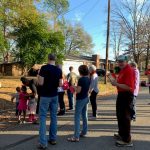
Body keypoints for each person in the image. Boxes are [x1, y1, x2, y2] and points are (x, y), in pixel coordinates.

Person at [37, 54, 62, 150]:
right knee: (54, 117)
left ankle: (43, 143)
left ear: (48, 58)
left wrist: (38, 76)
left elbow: (41, 83)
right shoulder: (58, 70)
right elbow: (60, 84)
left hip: (45, 96)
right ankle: (53, 138)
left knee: (43, 118)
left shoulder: (44, 68)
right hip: (54, 95)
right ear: (55, 59)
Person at [109, 55, 135, 147]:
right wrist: (112, 79)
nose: (120, 63)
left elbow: (129, 87)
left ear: (126, 61)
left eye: (122, 61)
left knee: (125, 117)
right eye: (119, 61)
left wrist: (116, 83)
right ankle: (122, 134)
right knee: (120, 115)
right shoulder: (122, 69)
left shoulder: (128, 70)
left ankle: (127, 140)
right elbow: (119, 81)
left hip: (126, 95)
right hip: (121, 94)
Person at [67, 65, 90, 142]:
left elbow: (78, 90)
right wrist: (77, 87)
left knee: (77, 117)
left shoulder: (81, 79)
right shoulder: (88, 78)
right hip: (86, 97)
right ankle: (84, 131)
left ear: (80, 71)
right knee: (84, 115)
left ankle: (76, 136)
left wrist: (73, 86)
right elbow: (84, 88)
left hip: (80, 99)